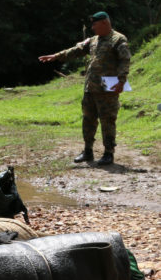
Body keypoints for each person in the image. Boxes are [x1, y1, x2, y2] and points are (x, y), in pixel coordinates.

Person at [38, 11, 131, 166]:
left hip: (108, 89)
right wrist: (56, 56)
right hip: (90, 88)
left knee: (107, 120)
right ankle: (88, 151)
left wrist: (121, 81)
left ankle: (109, 153)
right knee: (88, 120)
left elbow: (124, 60)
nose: (93, 28)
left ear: (104, 23)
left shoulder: (118, 39)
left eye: (95, 24)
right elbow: (76, 51)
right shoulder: (93, 40)